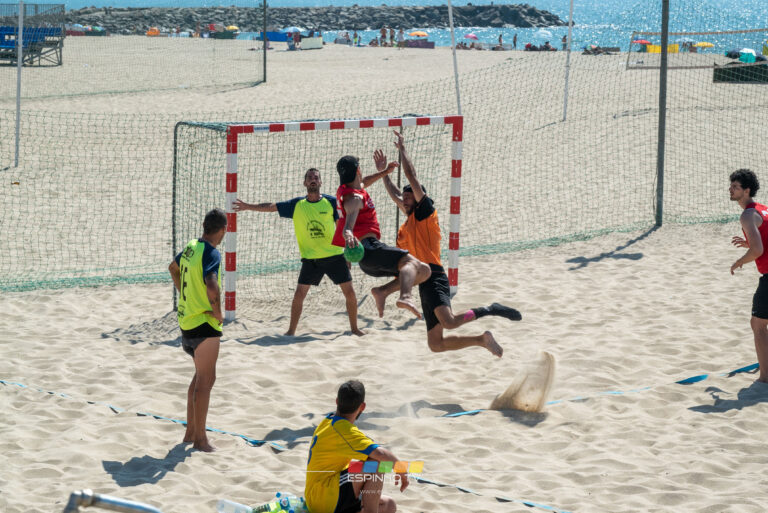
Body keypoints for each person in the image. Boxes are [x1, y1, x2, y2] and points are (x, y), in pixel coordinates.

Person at [377, 131, 521, 357]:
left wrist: (403, 150)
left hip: (433, 274)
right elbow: (395, 194)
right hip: (422, 281)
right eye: (403, 199)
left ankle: (490, 309)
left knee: (451, 322)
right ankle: (482, 340)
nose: (403, 200)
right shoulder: (410, 220)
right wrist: (383, 173)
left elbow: (411, 176)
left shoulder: (426, 214)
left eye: (408, 197)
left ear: (418, 198)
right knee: (435, 344)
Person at [233, 169, 364, 337]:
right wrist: (246, 206)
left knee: (350, 293)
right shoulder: (297, 205)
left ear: (321, 182)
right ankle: (291, 331)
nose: (313, 180)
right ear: (305, 183)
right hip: (311, 260)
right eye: (309, 178)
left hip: (334, 256)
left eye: (316, 178)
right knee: (299, 295)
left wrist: (347, 252)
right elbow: (271, 207)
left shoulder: (331, 202)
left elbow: (343, 226)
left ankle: (354, 328)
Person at [332, 154, 432, 318]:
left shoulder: (351, 189)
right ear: (358, 170)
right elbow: (348, 225)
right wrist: (348, 234)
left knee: (424, 271)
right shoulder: (355, 199)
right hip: (370, 248)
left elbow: (364, 182)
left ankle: (382, 291)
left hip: (367, 260)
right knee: (411, 263)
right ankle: (405, 297)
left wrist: (385, 172)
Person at [168, 208, 227, 452]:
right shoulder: (211, 252)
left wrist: (185, 295)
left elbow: (172, 267)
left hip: (186, 322)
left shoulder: (192, 246)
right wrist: (218, 312)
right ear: (223, 230)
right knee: (206, 381)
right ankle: (200, 440)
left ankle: (190, 432)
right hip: (203, 325)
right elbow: (212, 285)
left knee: (199, 377)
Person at [305, 380, 408, 513]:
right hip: (324, 498)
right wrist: (402, 471)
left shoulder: (329, 421)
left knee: (389, 505)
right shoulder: (343, 430)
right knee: (377, 462)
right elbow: (381, 454)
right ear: (363, 407)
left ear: (337, 401)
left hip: (327, 494)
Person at [729, 169, 768, 383]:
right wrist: (751, 243)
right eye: (731, 186)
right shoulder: (763, 209)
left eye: (735, 187)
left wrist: (739, 261)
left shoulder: (747, 215)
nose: (730, 190)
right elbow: (763, 240)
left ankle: (765, 378)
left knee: (758, 325)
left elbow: (758, 251)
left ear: (747, 190)